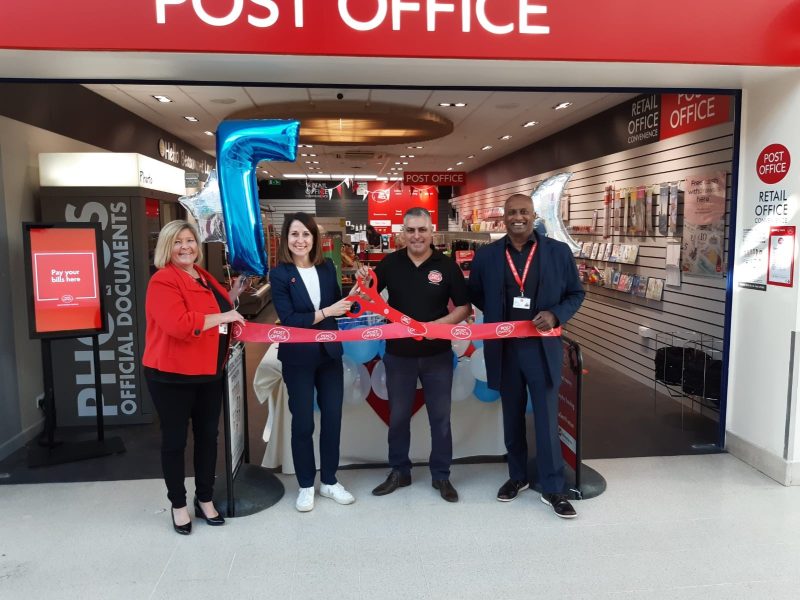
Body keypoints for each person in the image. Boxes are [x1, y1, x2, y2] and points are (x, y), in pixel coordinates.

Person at [468, 193, 585, 518]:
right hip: (504, 350)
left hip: (541, 349)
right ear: (503, 218)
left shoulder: (557, 253)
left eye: (523, 212)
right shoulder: (488, 255)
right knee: (511, 417)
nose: (517, 217)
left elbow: (577, 293)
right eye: (511, 213)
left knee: (547, 420)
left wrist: (555, 314)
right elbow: (476, 292)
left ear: (534, 216)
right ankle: (516, 477)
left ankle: (554, 488)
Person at [357, 207, 470, 502]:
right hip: (398, 356)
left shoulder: (446, 266)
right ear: (402, 234)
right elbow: (367, 298)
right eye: (411, 230)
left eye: (422, 230)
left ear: (432, 232)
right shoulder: (390, 264)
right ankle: (399, 471)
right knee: (398, 418)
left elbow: (464, 307)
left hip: (438, 356)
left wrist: (437, 326)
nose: (416, 235)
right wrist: (362, 278)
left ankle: (441, 475)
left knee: (441, 419)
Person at [143, 219, 246, 535]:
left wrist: (232, 295)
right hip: (171, 374)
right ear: (166, 248)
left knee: (207, 438)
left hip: (208, 372)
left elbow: (208, 307)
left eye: (189, 240)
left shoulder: (201, 275)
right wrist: (226, 315)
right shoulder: (162, 280)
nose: (185, 247)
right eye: (177, 242)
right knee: (175, 441)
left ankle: (204, 498)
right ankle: (177, 504)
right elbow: (179, 324)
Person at [270, 212, 356, 512]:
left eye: (306, 234)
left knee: (333, 418)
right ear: (286, 239)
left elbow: (339, 306)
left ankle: (329, 480)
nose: (300, 240)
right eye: (294, 234)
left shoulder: (327, 266)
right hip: (298, 358)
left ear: (314, 239)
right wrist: (327, 312)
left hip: (329, 355)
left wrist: (356, 294)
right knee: (303, 422)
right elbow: (291, 320)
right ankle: (306, 485)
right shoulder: (280, 274)